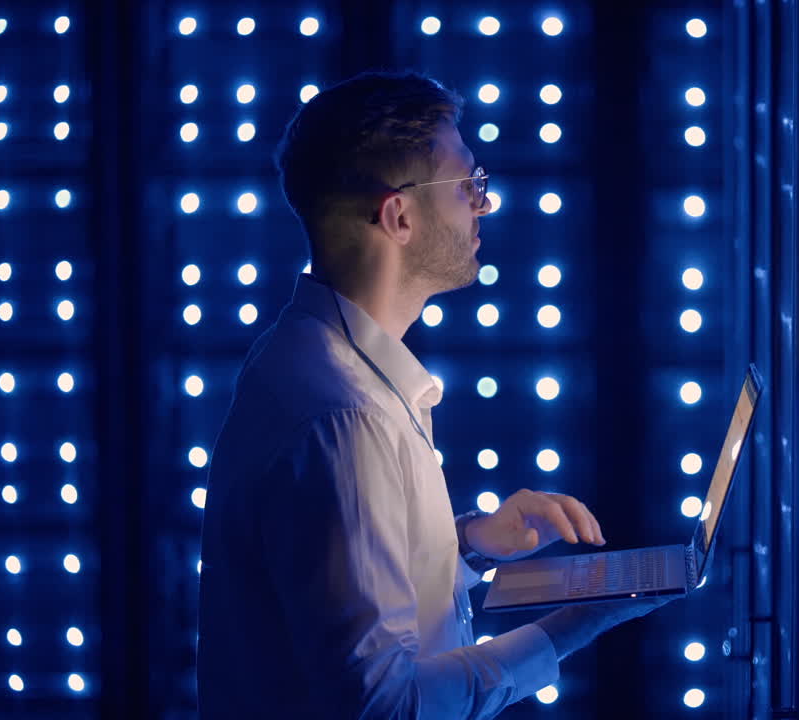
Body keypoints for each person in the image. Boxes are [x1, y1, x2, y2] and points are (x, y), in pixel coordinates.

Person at [196, 70, 675, 719]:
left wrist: (467, 542)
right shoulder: (347, 415)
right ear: (399, 215)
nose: (484, 202)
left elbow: (330, 580)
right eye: (468, 184)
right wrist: (574, 626)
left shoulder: (306, 355)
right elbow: (385, 706)